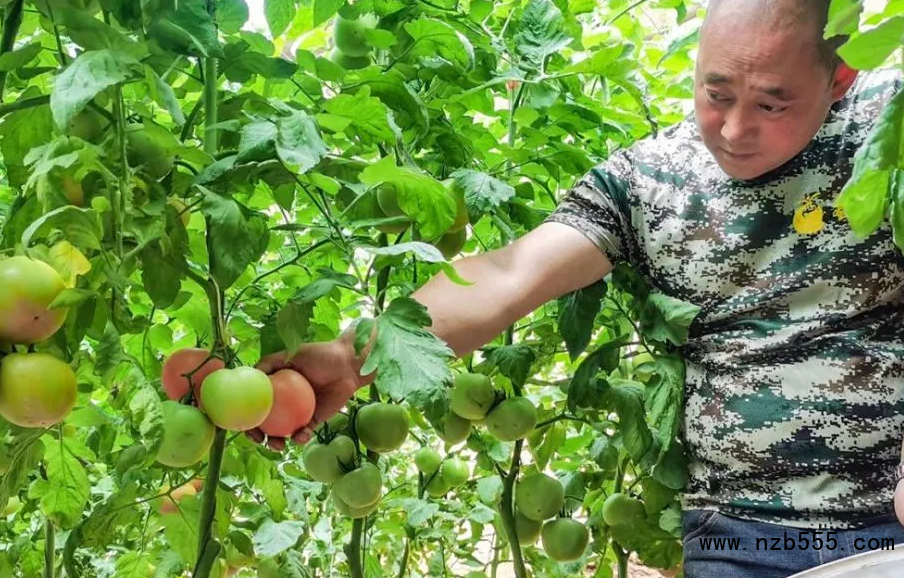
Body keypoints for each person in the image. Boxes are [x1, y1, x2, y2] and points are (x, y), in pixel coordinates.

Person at [251, 0, 904, 576]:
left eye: (770, 103)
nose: (733, 129)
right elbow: (509, 275)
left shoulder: (887, 130)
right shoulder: (651, 179)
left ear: (839, 77)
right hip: (738, 533)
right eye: (715, 93)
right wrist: (353, 355)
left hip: (888, 519)